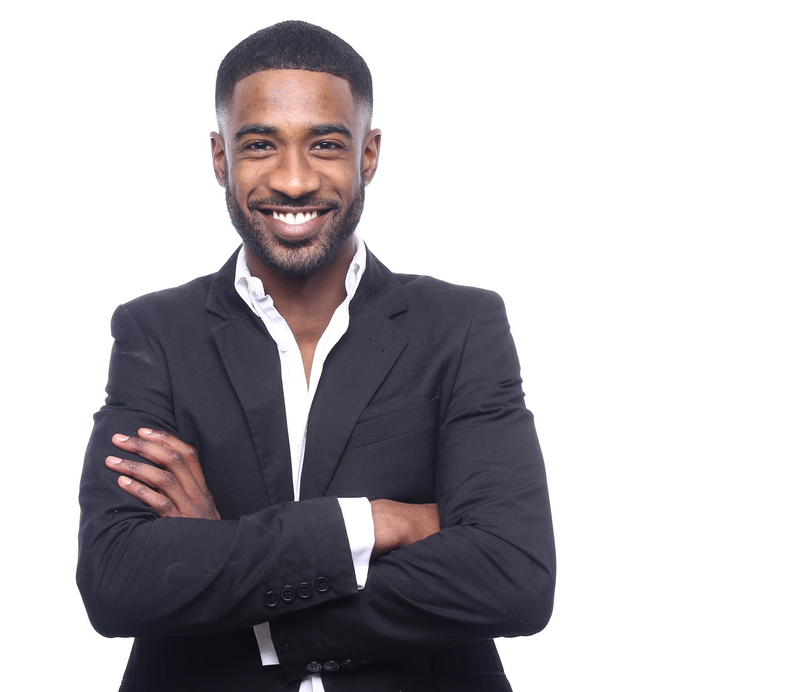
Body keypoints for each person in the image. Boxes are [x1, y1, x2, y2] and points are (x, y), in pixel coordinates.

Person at [77, 20, 555, 692]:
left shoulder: (460, 326)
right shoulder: (155, 332)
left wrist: (227, 570)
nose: (294, 180)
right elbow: (117, 581)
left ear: (368, 155)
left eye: (325, 145)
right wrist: (374, 523)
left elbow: (513, 578)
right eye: (260, 145)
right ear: (220, 158)